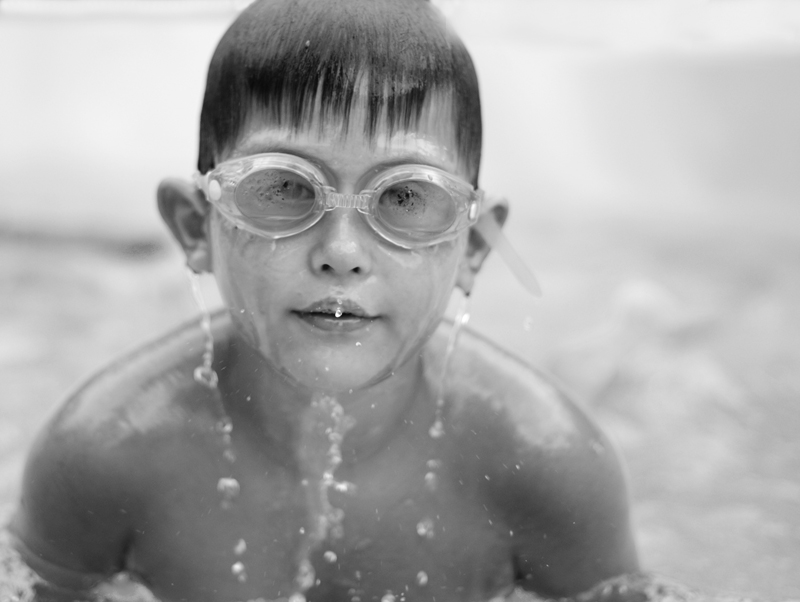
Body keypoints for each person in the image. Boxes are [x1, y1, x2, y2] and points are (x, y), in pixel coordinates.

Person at [8, 0, 639, 600]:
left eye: (406, 198)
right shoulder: (106, 456)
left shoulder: (544, 465)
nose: (342, 252)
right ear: (197, 227)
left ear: (472, 244)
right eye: (283, 188)